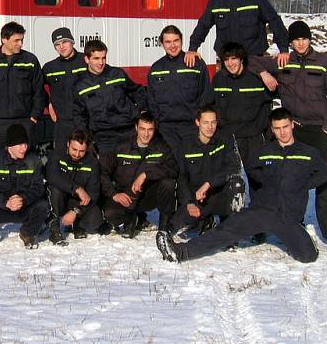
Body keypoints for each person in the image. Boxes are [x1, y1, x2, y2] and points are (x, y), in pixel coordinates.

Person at [166, 108, 327, 263]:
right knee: (226, 229)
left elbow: (323, 173)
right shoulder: (265, 151)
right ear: (272, 129)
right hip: (262, 210)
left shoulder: (308, 153)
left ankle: (307, 241)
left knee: (308, 256)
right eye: (277, 128)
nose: (283, 132)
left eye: (285, 127)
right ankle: (181, 252)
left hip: (288, 216)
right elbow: (251, 168)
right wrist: (266, 183)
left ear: (292, 125)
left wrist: (301, 185)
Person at [251, 20, 327, 251]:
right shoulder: (284, 61)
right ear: (291, 42)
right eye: (296, 39)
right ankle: (284, 225)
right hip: (291, 130)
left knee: (325, 179)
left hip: (317, 130)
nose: (300, 43)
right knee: (283, 179)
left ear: (309, 39)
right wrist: (265, 73)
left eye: (304, 38)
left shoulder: (323, 63)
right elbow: (251, 60)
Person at [184, 0, 290, 69]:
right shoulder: (216, 1)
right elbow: (203, 25)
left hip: (253, 61)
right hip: (228, 62)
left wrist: (283, 49)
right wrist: (192, 49)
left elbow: (274, 21)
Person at [100, 112, 178, 252]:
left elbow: (173, 169)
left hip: (149, 195)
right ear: (136, 127)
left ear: (155, 129)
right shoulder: (121, 146)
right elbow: (103, 172)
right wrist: (114, 194)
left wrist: (146, 174)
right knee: (111, 214)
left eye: (150, 129)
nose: (146, 134)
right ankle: (133, 218)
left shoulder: (161, 146)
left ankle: (164, 228)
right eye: (142, 129)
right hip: (126, 195)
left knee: (169, 183)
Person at [0, 21, 47, 157]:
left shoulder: (30, 60)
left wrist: (34, 117)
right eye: (16, 40)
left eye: (21, 40)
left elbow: (39, 91)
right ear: (4, 39)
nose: (20, 44)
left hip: (24, 122)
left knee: (26, 162)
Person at [170, 105, 244, 236]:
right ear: (197, 122)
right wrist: (189, 202)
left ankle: (230, 230)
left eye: (213, 122)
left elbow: (235, 167)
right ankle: (206, 221)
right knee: (179, 226)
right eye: (205, 122)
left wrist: (209, 183)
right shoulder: (186, 144)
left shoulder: (225, 139)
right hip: (198, 198)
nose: (210, 127)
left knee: (237, 184)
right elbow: (181, 176)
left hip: (220, 194)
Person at [0, 124, 50, 250]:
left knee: (43, 206)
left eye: (25, 144)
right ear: (10, 146)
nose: (24, 148)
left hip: (23, 207)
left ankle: (27, 233)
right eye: (20, 144)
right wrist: (6, 202)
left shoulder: (33, 161)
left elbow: (38, 188)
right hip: (1, 207)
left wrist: (23, 199)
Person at [201, 42, 273, 174]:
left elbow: (270, 104)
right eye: (226, 59)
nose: (230, 63)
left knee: (258, 180)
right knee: (233, 183)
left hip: (253, 139)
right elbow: (207, 105)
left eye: (234, 58)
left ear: (241, 59)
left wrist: (264, 73)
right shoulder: (219, 79)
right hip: (228, 138)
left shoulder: (256, 79)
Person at [73, 39, 148, 156]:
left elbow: (137, 90)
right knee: (107, 172)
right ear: (87, 59)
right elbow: (79, 117)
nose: (101, 62)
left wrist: (143, 110)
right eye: (96, 58)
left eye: (103, 58)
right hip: (103, 137)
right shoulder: (80, 85)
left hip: (128, 131)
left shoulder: (117, 74)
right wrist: (87, 141)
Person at [147, 25, 210, 153]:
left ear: (182, 41)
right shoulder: (156, 69)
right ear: (162, 44)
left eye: (176, 41)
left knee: (193, 167)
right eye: (168, 42)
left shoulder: (195, 64)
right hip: (167, 130)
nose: (173, 46)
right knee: (173, 167)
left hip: (192, 127)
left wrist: (200, 122)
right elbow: (152, 100)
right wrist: (159, 126)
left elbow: (206, 94)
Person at [46, 128, 104, 244]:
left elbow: (94, 193)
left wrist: (75, 211)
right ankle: (54, 227)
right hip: (59, 198)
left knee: (95, 219)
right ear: (68, 144)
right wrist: (77, 188)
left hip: (78, 203)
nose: (77, 154)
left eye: (82, 151)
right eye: (74, 149)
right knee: (55, 190)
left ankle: (77, 223)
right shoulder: (57, 154)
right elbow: (52, 176)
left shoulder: (93, 163)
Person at [42, 27, 86, 154]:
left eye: (65, 42)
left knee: (86, 157)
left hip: (85, 121)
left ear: (72, 42)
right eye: (57, 44)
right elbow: (37, 88)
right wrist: (48, 103)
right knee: (61, 158)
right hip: (62, 123)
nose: (61, 46)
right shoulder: (50, 68)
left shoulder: (86, 61)